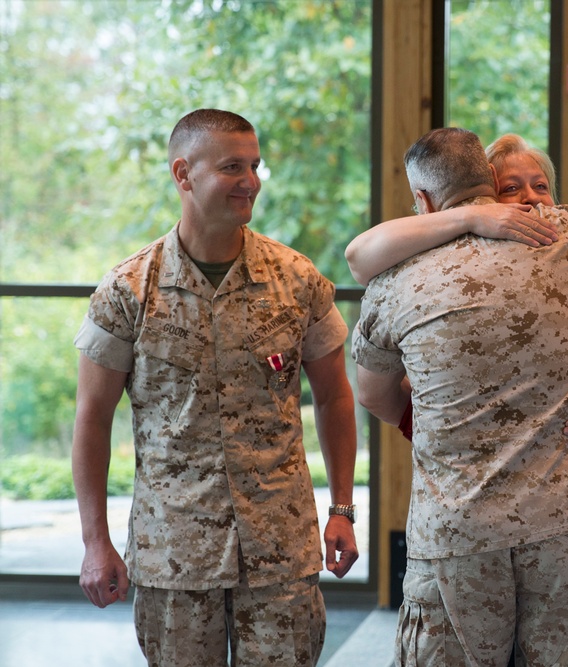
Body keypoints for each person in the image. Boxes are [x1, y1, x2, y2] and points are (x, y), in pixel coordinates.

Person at [345, 132, 568, 639]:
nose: (532, 199)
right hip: (554, 526)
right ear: (489, 197)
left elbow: (371, 389)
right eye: (512, 188)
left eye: (541, 186)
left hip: (536, 518)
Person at [71, 108, 359, 667]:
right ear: (184, 174)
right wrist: (94, 542)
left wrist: (342, 507)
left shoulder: (297, 280)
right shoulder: (129, 290)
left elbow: (335, 396)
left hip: (280, 552)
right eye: (232, 167)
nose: (250, 180)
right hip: (175, 555)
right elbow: (92, 417)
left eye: (255, 165)